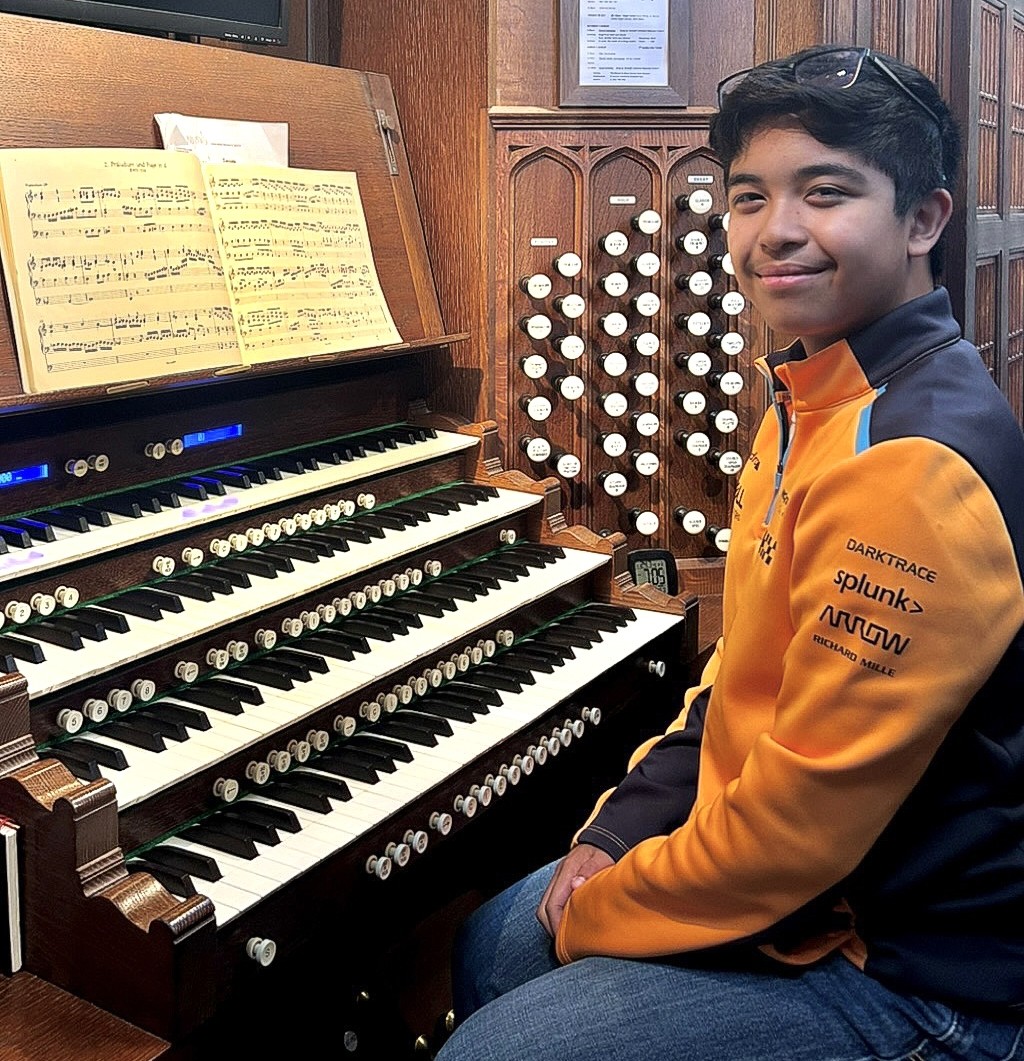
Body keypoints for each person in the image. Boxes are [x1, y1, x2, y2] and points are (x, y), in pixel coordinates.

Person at [434, 44, 1024, 1061]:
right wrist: (616, 833)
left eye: (825, 192)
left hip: (919, 968)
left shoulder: (913, 464)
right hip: (820, 882)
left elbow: (794, 836)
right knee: (494, 941)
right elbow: (733, 675)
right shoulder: (815, 393)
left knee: (495, 1041)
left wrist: (598, 909)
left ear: (923, 219)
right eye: (747, 197)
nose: (773, 232)